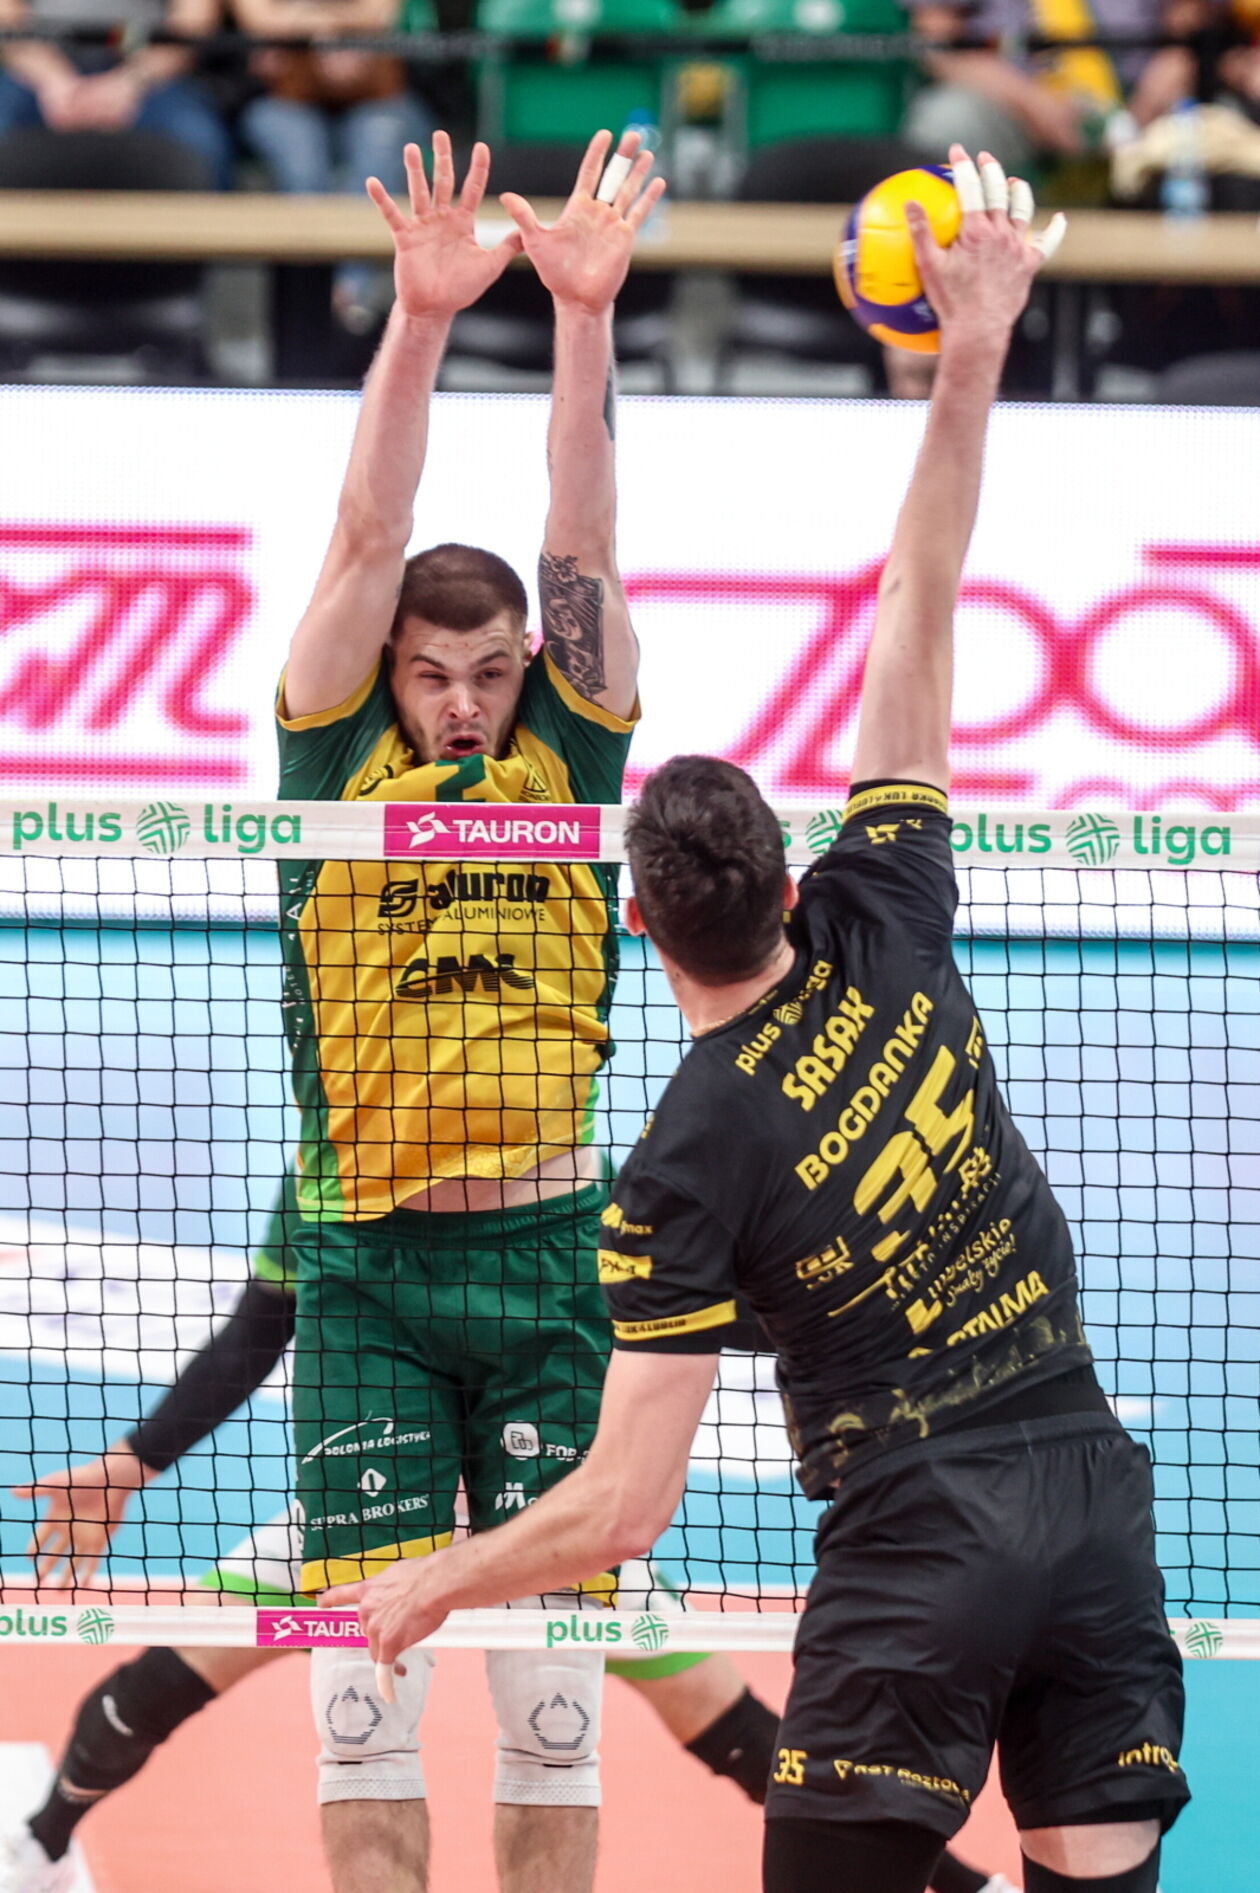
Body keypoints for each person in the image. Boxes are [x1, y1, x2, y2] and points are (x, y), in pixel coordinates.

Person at [332, 148, 1189, 1893]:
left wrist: (437, 1578)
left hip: (921, 1544)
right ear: (795, 876)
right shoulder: (890, 914)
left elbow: (623, 1508)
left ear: (635, 914)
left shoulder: (687, 1154)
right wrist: (973, 346)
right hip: (1096, 1499)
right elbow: (920, 595)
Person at [4, 1177, 1008, 1893]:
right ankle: (43, 1840)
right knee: (171, 1674)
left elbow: (702, 1315)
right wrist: (137, 1458)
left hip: (541, 1526)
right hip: (373, 1514)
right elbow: (259, 1330)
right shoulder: (331, 1165)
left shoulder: (566, 1186)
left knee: (727, 1724)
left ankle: (966, 1884)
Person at [273, 123, 671, 1893]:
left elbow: (582, 530)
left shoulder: (567, 758)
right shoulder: (330, 761)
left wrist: (582, 317)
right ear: (388, 670)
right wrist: (423, 320)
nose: (459, 701)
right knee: (360, 1704)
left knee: (554, 1713)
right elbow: (369, 526)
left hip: (552, 1264)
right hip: (368, 1264)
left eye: (488, 672)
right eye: (432, 672)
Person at [230, 0, 435, 331]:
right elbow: (262, 21)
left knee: (377, 156)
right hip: (285, 97)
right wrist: (338, 29)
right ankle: (306, 301)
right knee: (302, 166)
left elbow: (380, 13)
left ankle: (350, 294)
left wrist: (304, 21)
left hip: (379, 96)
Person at [903, 0, 1223, 180]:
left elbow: (1190, 33)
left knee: (1215, 126)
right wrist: (1032, 103)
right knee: (948, 119)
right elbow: (940, 48)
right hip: (1011, 103)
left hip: (1142, 107)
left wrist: (1142, 111)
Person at [0, 0, 232, 188]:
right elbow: (6, 16)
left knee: (202, 141)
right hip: (36, 67)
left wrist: (129, 82)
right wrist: (54, 81)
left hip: (149, 70)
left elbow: (194, 20)